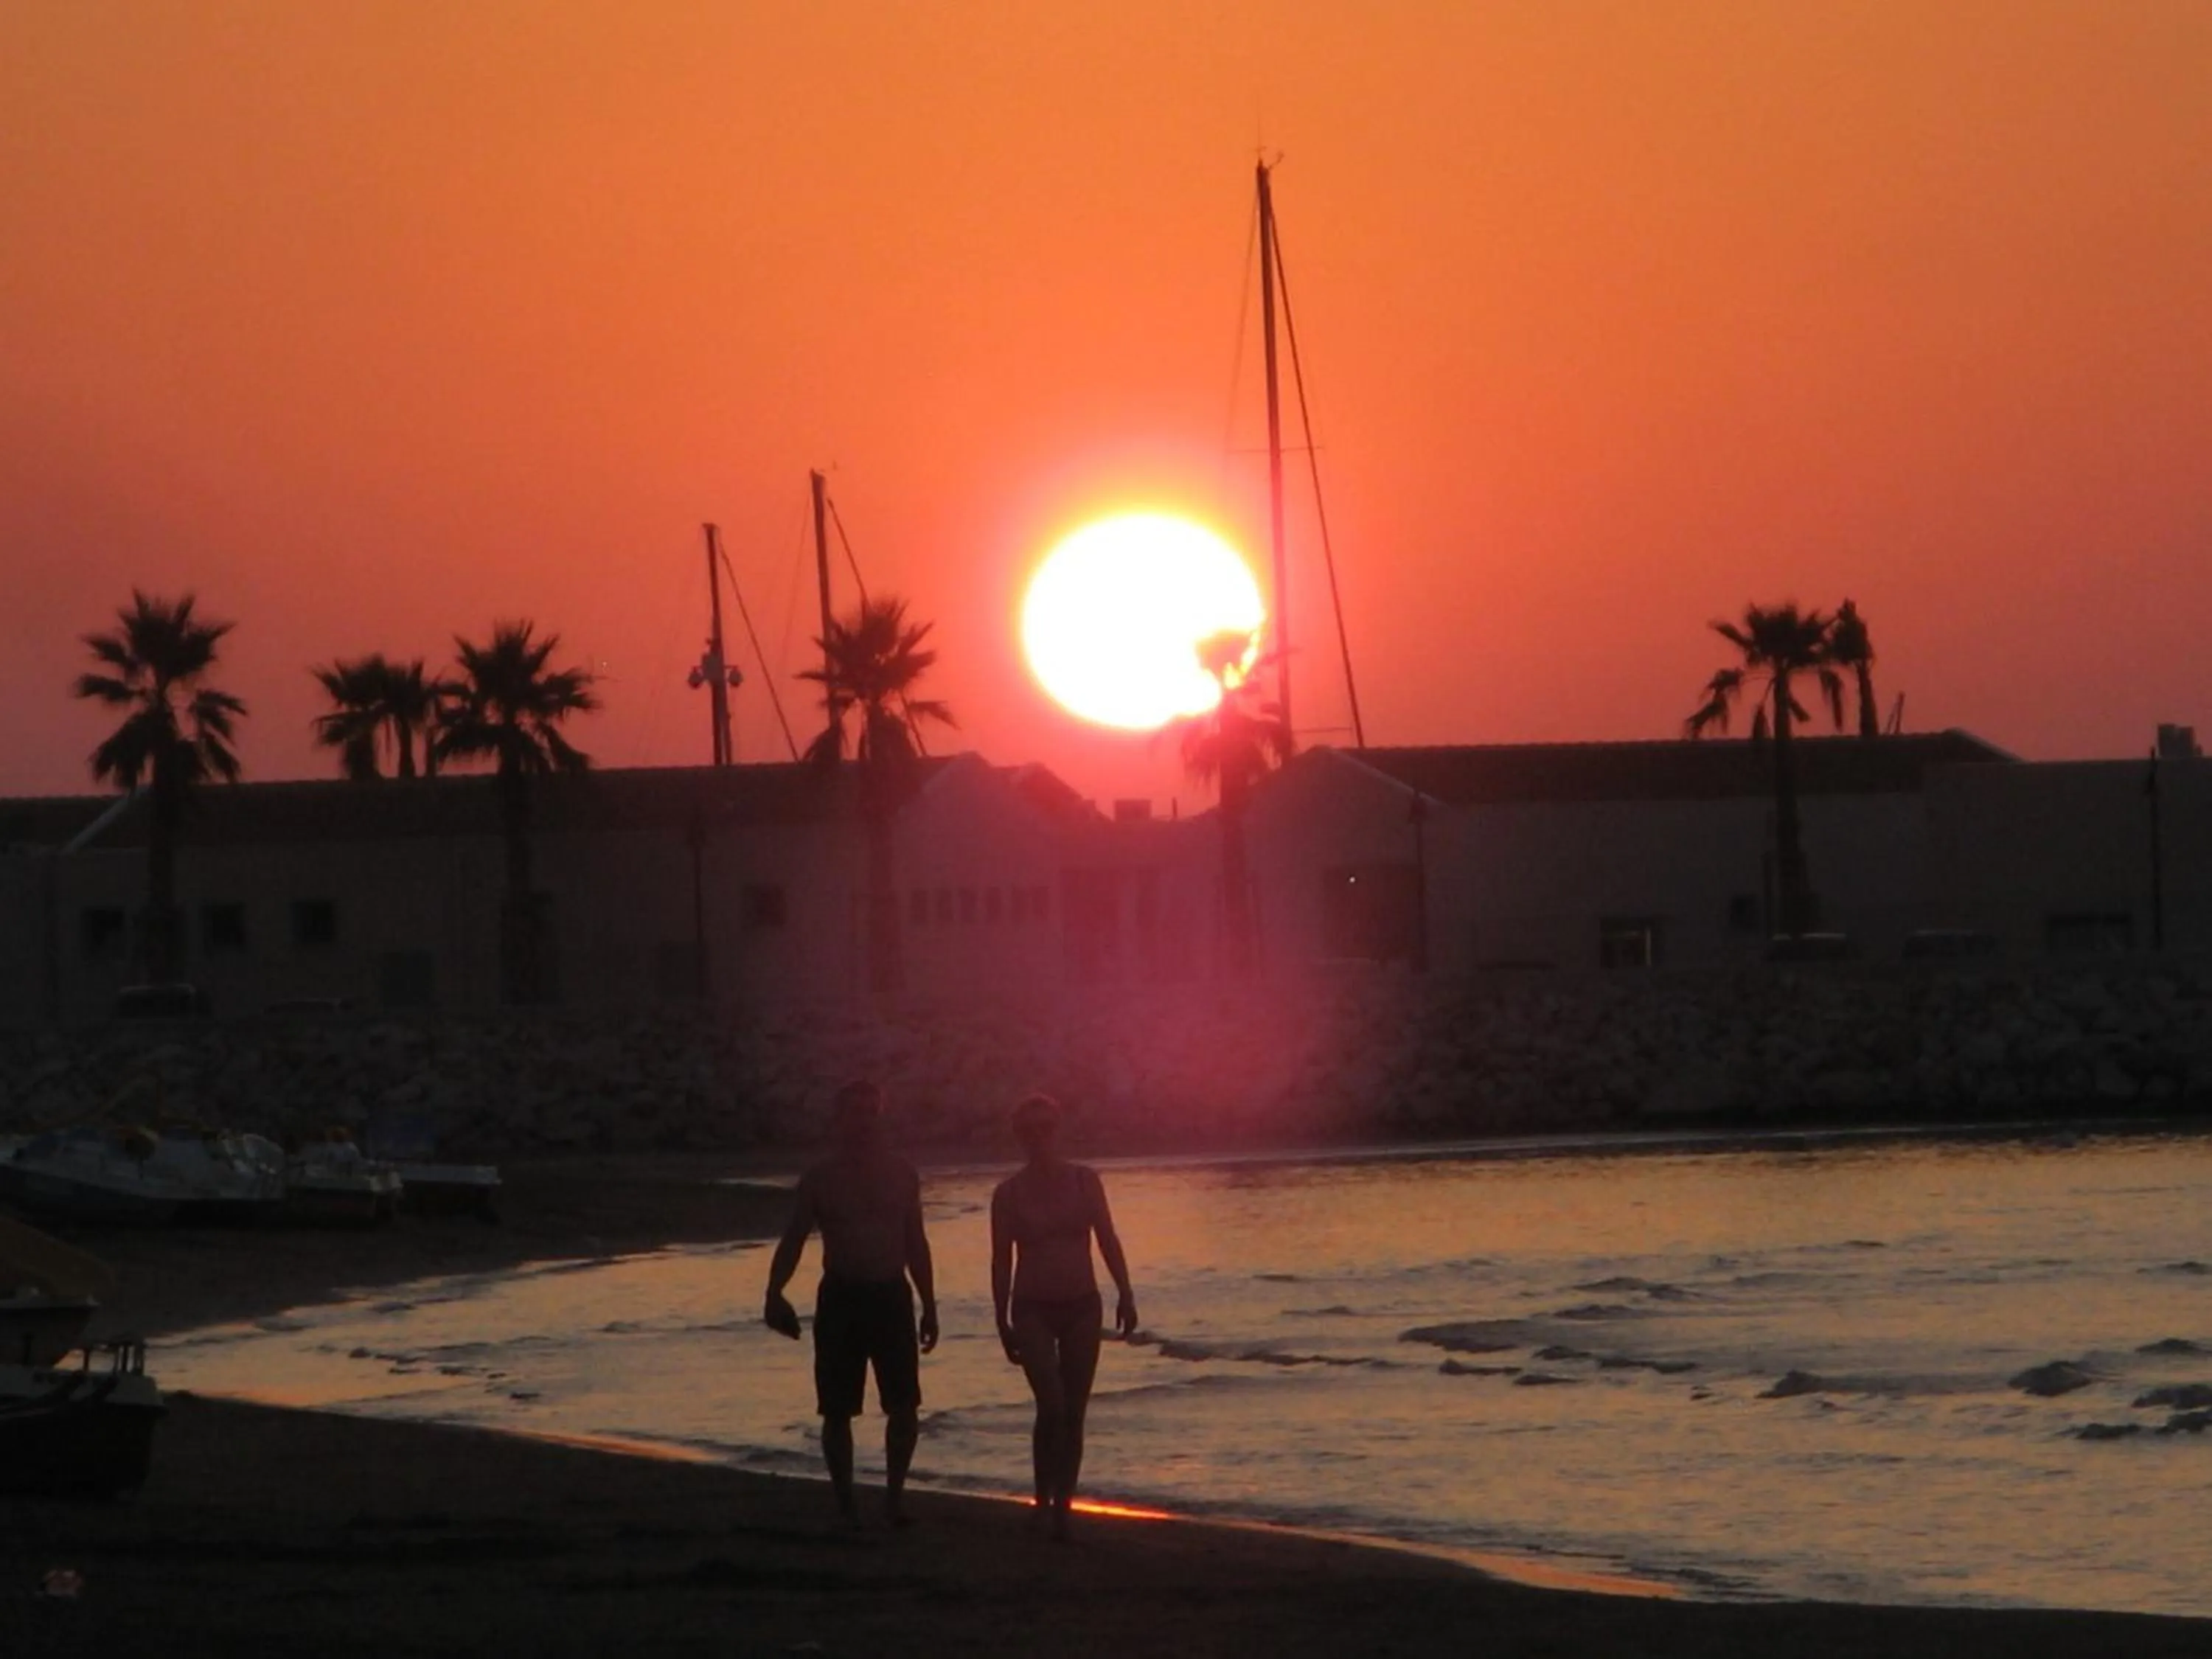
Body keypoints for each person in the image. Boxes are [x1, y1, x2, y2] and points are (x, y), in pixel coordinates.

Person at [764, 1079, 939, 1528]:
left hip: (891, 1295)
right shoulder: (821, 1179)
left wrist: (930, 1303)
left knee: (903, 1406)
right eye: (855, 1113)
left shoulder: (902, 1173)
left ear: (880, 1118)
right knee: (837, 1408)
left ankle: (894, 1500)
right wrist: (774, 1292)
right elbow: (794, 1238)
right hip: (842, 1297)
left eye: (871, 1113)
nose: (864, 1122)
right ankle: (846, 1504)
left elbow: (915, 1242)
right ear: (841, 1120)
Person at [990, 1093, 1138, 1539]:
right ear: (1019, 1137)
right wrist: (1001, 1319)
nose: (1038, 1138)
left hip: (1081, 1303)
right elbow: (1001, 1260)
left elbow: (1108, 1239)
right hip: (1032, 1305)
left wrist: (1126, 1293)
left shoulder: (1084, 1181)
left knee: (1073, 1411)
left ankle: (1063, 1509)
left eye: (1045, 1129)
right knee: (1050, 1406)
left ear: (1058, 1131)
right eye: (1029, 1131)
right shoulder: (1009, 1194)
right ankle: (1041, 1501)